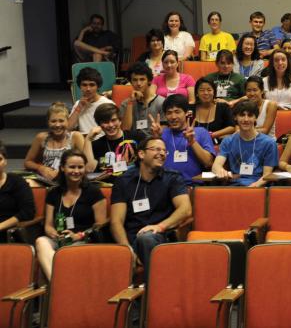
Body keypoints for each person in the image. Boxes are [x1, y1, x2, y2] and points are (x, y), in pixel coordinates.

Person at [110, 136, 191, 273]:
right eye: (156, 149)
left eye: (164, 151)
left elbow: (186, 209)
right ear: (141, 154)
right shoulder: (123, 181)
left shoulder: (172, 178)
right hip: (131, 239)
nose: (161, 153)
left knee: (146, 238)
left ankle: (156, 290)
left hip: (161, 237)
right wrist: (127, 250)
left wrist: (160, 226)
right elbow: (116, 221)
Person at [35, 150, 106, 280]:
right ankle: (57, 282)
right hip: (60, 239)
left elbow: (100, 226)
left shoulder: (94, 193)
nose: (76, 171)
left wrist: (78, 236)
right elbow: (48, 226)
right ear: (62, 168)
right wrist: (54, 234)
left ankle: (58, 285)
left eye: (80, 167)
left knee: (67, 252)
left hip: (84, 240)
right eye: (72, 167)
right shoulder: (54, 193)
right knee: (41, 241)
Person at [149, 95, 215, 186]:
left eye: (177, 112)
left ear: (186, 113)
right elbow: (150, 165)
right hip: (165, 186)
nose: (173, 117)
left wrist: (192, 142)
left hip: (192, 184)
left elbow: (208, 162)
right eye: (169, 113)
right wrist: (155, 139)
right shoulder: (161, 134)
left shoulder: (200, 132)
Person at [212, 100, 279, 187]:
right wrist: (220, 171)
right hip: (234, 186)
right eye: (242, 115)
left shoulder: (269, 143)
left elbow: (267, 175)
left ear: (256, 118)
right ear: (235, 117)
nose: (246, 119)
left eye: (250, 115)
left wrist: (253, 187)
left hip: (258, 187)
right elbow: (216, 166)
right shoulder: (228, 141)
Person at [24, 102, 85, 180]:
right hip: (47, 180)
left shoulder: (75, 137)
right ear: (48, 122)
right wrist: (41, 168)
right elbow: (27, 162)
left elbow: (86, 164)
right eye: (53, 121)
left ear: (67, 121)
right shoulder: (41, 138)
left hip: (70, 180)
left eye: (61, 121)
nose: (57, 125)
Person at [84, 103, 141, 173]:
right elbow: (89, 169)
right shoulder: (96, 145)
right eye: (105, 122)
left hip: (134, 182)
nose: (110, 125)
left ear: (120, 121)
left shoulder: (136, 137)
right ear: (99, 125)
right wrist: (88, 139)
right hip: (108, 183)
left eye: (113, 120)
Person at [0, 141, 35, 242]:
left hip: (8, 231)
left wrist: (1, 226)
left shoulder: (16, 182)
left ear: (5, 161)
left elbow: (28, 212)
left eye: (0, 159)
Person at [121, 62, 165, 138]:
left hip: (154, 141)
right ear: (130, 82)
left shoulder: (161, 102)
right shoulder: (126, 103)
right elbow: (125, 130)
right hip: (132, 143)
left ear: (149, 81)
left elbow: (164, 130)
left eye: (142, 79)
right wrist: (131, 102)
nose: (138, 83)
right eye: (135, 80)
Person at [67, 67, 114, 134]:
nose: (88, 89)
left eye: (92, 85)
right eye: (84, 85)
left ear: (98, 86)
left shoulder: (108, 104)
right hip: (83, 141)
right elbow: (68, 128)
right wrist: (79, 107)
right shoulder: (78, 104)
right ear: (80, 87)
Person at [192, 77, 236, 143]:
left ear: (214, 92)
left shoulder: (223, 107)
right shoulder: (190, 109)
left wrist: (212, 135)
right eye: (202, 90)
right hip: (194, 143)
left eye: (209, 90)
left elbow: (232, 127)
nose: (206, 93)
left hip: (217, 144)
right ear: (197, 93)